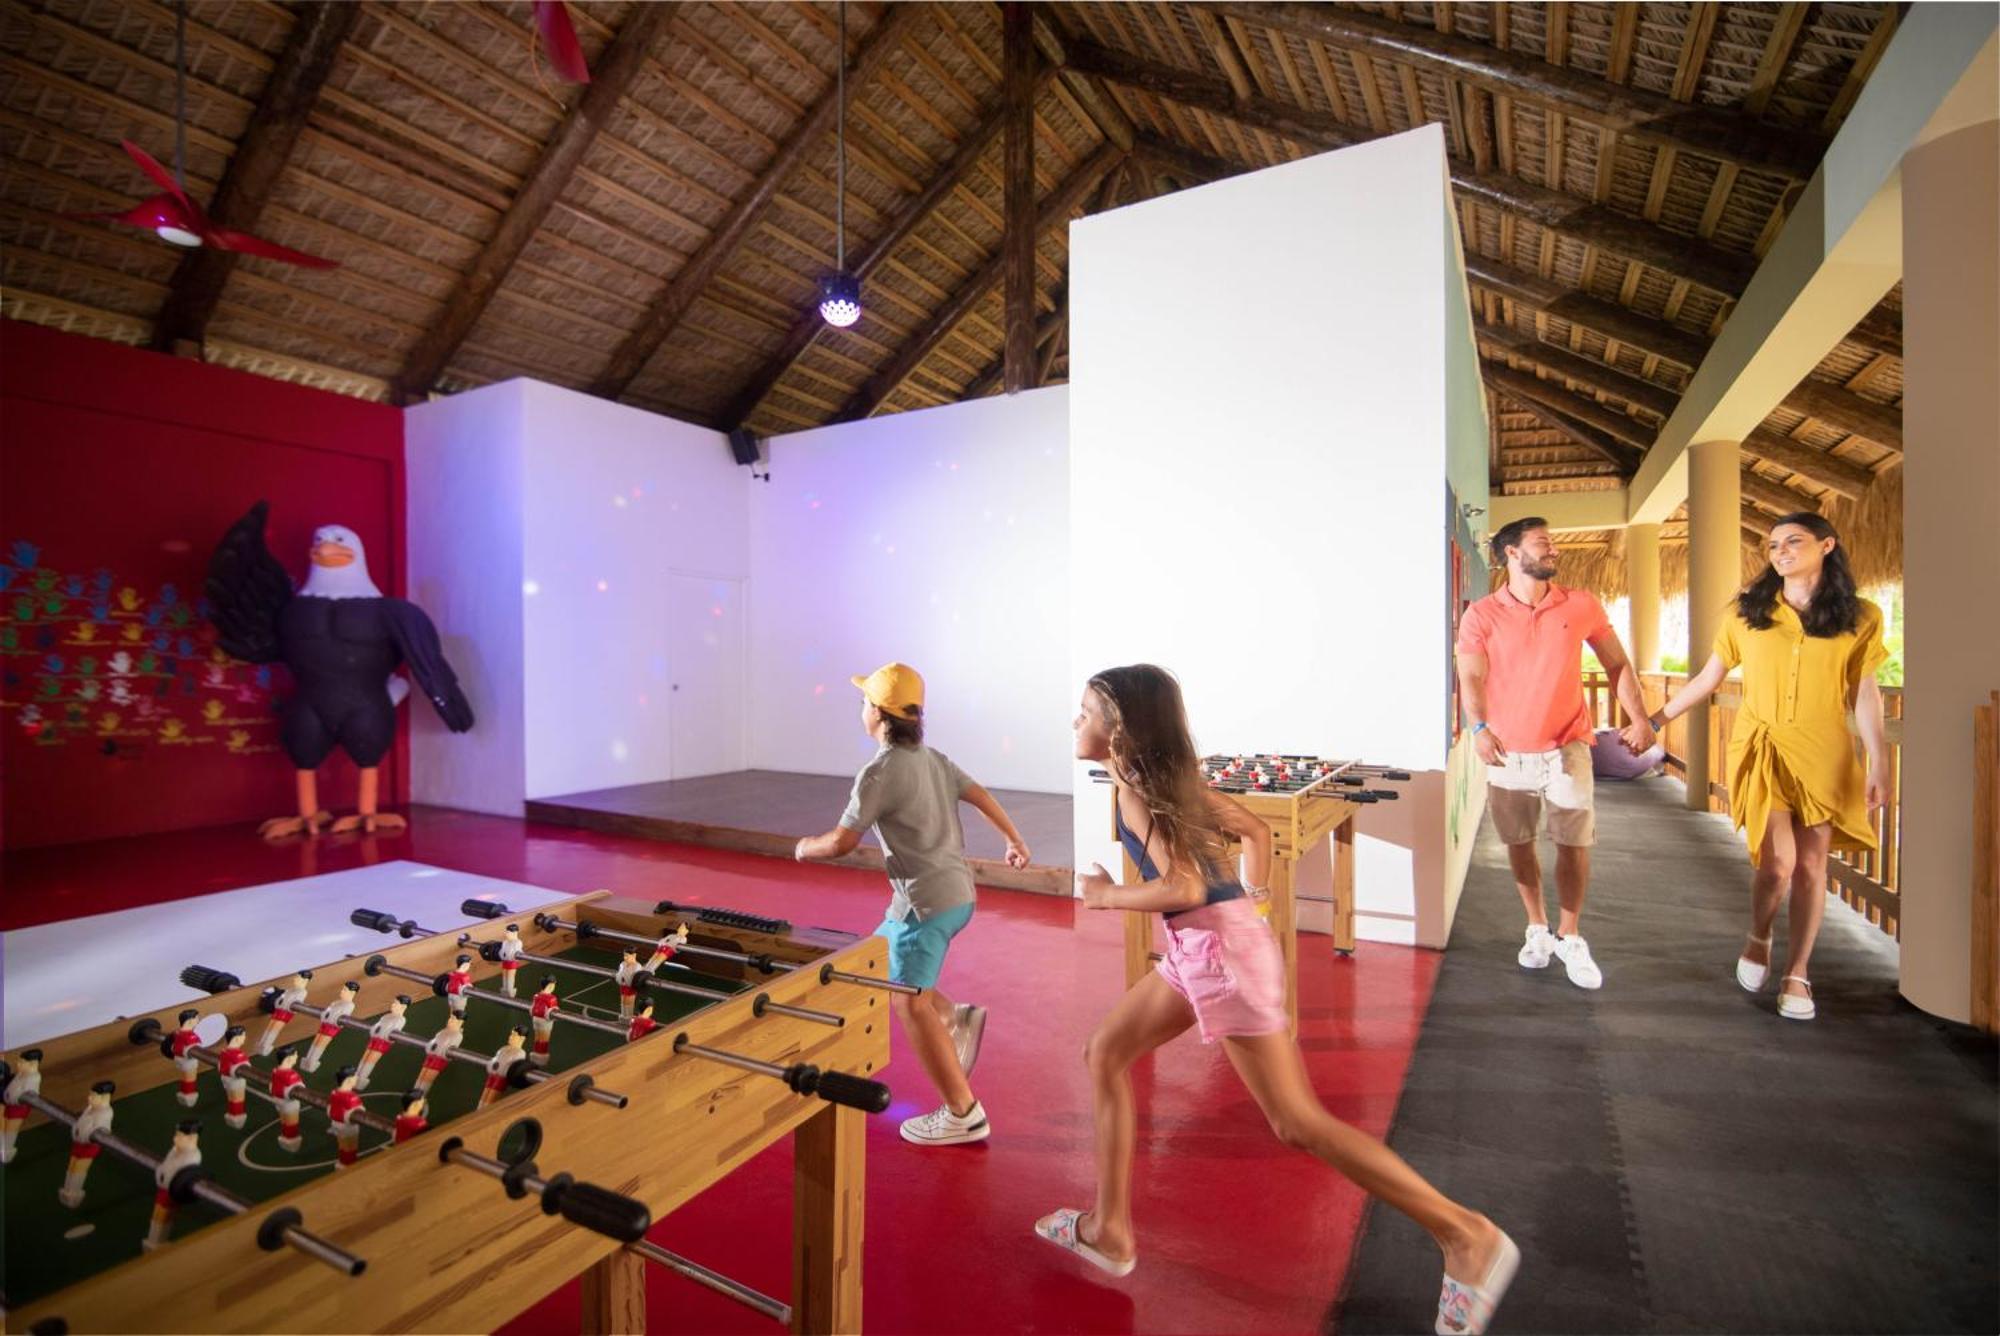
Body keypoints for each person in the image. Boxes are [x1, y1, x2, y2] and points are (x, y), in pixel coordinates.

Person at [1038, 665, 1518, 1336]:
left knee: (1297, 1123)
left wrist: (1108, 895)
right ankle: (1110, 1229)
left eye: (1086, 710)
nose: (1075, 721)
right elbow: (1258, 836)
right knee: (1104, 1052)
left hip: (1217, 956)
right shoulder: (1164, 782)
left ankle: (1467, 1235)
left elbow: (1181, 884)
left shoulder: (1137, 793)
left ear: (1119, 729)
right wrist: (1253, 910)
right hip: (1205, 951)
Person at [1629, 513, 1889, 1021]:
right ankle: (1760, 934)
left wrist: (1879, 759)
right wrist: (1655, 720)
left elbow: (1865, 691)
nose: (1781, 551)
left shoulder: (1861, 616)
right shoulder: (1747, 613)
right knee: (1777, 865)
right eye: (1774, 545)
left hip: (1824, 751)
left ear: (1827, 546)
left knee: (1814, 867)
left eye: (1794, 541)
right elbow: (1708, 679)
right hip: (1761, 747)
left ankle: (1798, 972)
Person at [795, 662, 1030, 1147]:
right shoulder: (933, 759)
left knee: (908, 1001)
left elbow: (841, 843)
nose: (861, 709)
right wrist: (1013, 838)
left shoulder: (877, 773)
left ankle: (963, 1112)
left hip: (925, 907)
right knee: (875, 967)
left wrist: (804, 847)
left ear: (879, 714)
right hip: (956, 895)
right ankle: (955, 1016)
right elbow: (980, 793)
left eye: (864, 702)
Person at [1455, 517, 1652, 989]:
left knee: (1574, 843)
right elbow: (1472, 677)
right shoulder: (1482, 614)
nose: (1553, 551)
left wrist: (1641, 718)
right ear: (1511, 553)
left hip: (1568, 745)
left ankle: (1570, 934)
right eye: (1542, 544)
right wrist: (1478, 727)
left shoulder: (1580, 604)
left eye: (1552, 544)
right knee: (1519, 843)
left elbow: (1616, 662)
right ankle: (1537, 927)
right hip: (1507, 751)